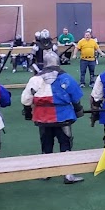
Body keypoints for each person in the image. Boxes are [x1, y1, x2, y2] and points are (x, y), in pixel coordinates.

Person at [21, 52, 86, 184]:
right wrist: (78, 109)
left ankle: (46, 173)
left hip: (43, 117)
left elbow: (26, 99)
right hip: (63, 116)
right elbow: (75, 97)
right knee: (65, 143)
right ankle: (68, 174)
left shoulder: (35, 80)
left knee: (46, 144)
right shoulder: (66, 78)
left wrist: (28, 112)